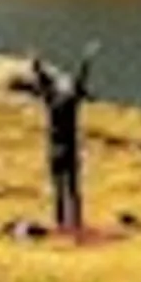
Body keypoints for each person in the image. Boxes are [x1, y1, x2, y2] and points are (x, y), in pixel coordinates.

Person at [17, 46, 97, 237]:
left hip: (54, 149)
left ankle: (60, 223)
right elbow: (80, 81)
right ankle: (76, 222)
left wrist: (36, 63)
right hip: (70, 148)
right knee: (73, 189)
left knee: (58, 189)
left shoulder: (51, 99)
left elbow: (42, 81)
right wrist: (86, 61)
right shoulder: (71, 102)